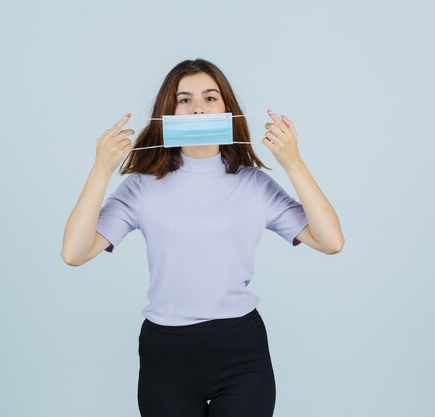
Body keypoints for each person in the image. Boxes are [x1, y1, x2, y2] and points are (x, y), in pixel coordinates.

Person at [61, 58, 344, 417]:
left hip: (241, 349)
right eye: (184, 100)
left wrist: (294, 164)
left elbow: (330, 241)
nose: (197, 108)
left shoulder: (253, 184)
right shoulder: (141, 187)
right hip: (165, 353)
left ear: (227, 108)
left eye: (210, 98)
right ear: (170, 112)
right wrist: (101, 170)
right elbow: (74, 252)